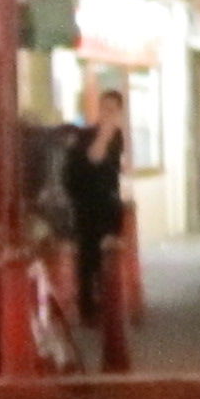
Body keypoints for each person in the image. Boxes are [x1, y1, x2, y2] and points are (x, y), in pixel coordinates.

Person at [58, 87, 133, 359]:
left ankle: (107, 303)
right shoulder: (89, 135)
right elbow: (93, 159)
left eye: (113, 109)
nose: (108, 114)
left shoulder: (117, 138)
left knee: (108, 257)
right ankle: (88, 307)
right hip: (86, 204)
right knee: (88, 257)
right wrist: (105, 131)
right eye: (104, 108)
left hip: (108, 204)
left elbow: (113, 167)